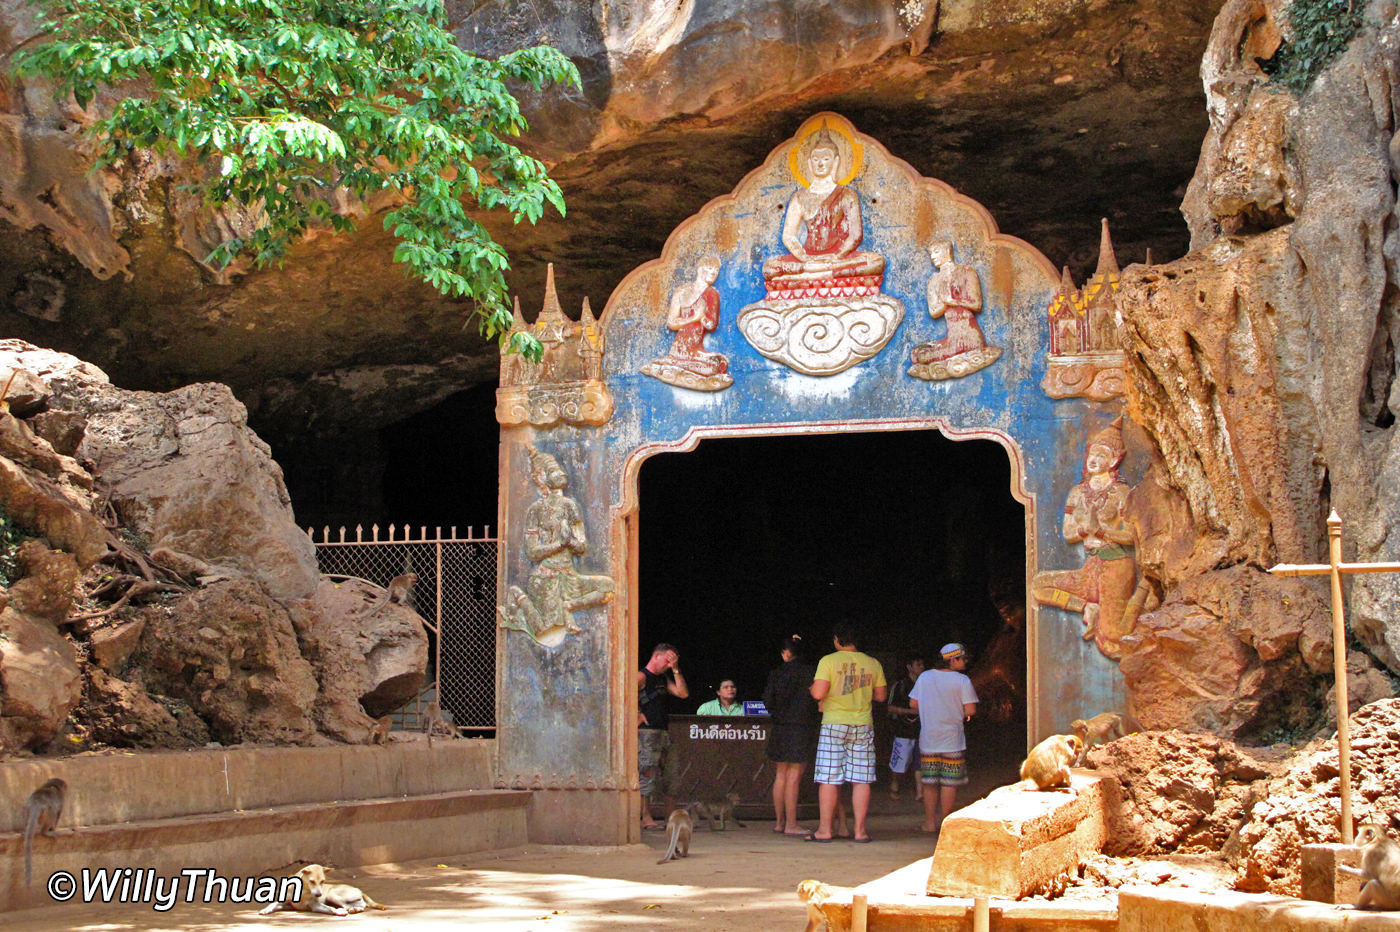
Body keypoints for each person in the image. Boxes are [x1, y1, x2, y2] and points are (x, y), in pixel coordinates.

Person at [762, 126, 885, 294]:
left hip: (837, 259)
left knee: (876, 262)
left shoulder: (847, 195)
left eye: (826, 159)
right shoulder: (799, 197)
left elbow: (855, 236)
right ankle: (820, 275)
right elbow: (789, 236)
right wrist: (806, 258)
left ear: (836, 161)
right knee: (769, 268)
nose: (820, 163)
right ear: (809, 163)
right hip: (807, 259)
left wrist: (835, 257)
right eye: (815, 158)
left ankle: (813, 276)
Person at [807, 623, 886, 843]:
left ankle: (825, 830)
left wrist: (813, 688)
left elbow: (818, 693)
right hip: (863, 723)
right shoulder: (873, 663)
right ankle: (860, 831)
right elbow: (880, 696)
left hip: (834, 723)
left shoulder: (828, 661)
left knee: (829, 778)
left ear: (837, 640)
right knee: (862, 779)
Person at [909, 642, 978, 835]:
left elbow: (913, 703)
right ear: (953, 660)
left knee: (930, 783)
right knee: (949, 782)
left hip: (929, 738)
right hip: (952, 740)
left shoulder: (925, 677)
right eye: (963, 659)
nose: (965, 662)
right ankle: (945, 825)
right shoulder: (962, 681)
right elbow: (971, 710)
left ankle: (929, 824)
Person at [761, 635, 820, 835]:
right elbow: (817, 699)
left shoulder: (775, 673)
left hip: (780, 727)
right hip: (801, 728)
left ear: (786, 653)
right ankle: (792, 824)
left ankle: (779, 823)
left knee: (781, 776)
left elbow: (767, 701)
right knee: (794, 777)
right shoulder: (810, 672)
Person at [638, 643, 689, 832]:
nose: (668, 665)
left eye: (672, 662)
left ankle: (671, 818)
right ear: (656, 656)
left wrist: (675, 669)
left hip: (664, 732)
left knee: (671, 776)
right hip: (646, 733)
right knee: (646, 775)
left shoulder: (664, 679)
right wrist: (637, 714)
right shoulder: (641, 676)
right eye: (667, 661)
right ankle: (645, 816)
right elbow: (623, 695)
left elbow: (682, 693)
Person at [885, 652, 926, 801]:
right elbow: (890, 707)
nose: (922, 667)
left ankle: (920, 792)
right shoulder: (900, 686)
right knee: (899, 762)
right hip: (903, 730)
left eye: (922, 664)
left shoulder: (926, 685)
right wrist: (910, 711)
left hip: (922, 730)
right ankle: (894, 784)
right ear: (909, 667)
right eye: (918, 665)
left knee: (920, 762)